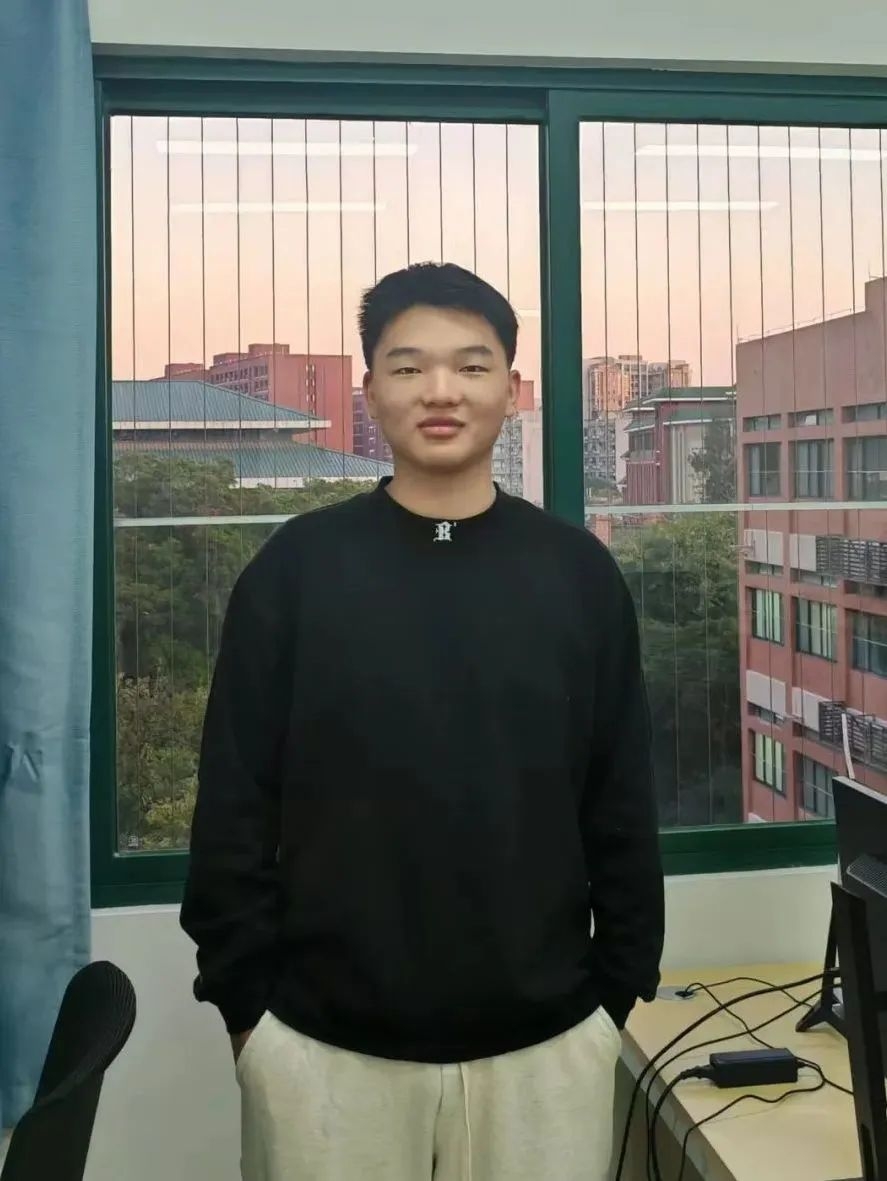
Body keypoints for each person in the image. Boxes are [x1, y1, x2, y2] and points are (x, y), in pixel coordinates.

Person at [180, 261, 665, 1181]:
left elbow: (620, 801)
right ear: (371, 390)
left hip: (548, 1046)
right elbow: (234, 805)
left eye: (470, 365)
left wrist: (614, 996)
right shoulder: (295, 570)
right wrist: (249, 1012)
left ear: (511, 389)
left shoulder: (576, 574)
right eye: (408, 367)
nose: (440, 391)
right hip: (321, 1050)